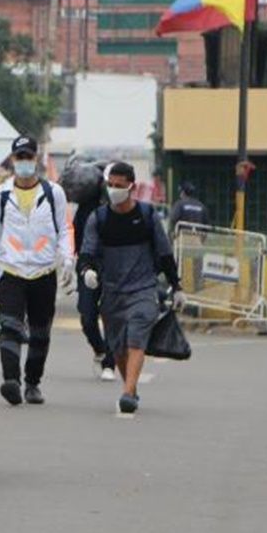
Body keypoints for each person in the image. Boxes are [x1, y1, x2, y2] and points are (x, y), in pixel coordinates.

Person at [79, 162, 183, 414]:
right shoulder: (99, 218)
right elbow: (87, 252)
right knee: (118, 347)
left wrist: (176, 286)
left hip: (143, 289)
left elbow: (164, 253)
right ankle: (131, 387)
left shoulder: (147, 216)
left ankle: (127, 393)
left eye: (119, 185)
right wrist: (87, 271)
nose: (114, 189)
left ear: (131, 187)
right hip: (111, 291)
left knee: (136, 336)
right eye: (110, 185)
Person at [0, 136, 73, 407]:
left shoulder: (53, 193)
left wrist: (67, 259)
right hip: (10, 270)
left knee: (40, 332)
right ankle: (11, 381)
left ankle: (33, 383)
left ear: (36, 159)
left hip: (43, 270)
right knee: (9, 327)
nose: (24, 162)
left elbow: (64, 228)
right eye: (19, 157)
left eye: (28, 157)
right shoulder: (0, 195)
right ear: (13, 160)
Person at [72, 166, 115, 382]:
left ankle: (110, 363)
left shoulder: (119, 208)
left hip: (113, 267)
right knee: (87, 317)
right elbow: (77, 238)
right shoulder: (85, 209)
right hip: (87, 266)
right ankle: (100, 349)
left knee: (111, 316)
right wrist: (78, 264)